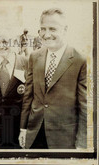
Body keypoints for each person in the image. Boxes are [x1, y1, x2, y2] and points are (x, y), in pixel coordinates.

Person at [19, 8, 87, 149]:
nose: (46, 34)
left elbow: (84, 106)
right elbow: (28, 96)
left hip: (64, 140)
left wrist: (81, 144)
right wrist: (23, 128)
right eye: (43, 29)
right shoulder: (34, 56)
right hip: (35, 135)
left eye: (52, 29)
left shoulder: (80, 60)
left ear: (65, 29)